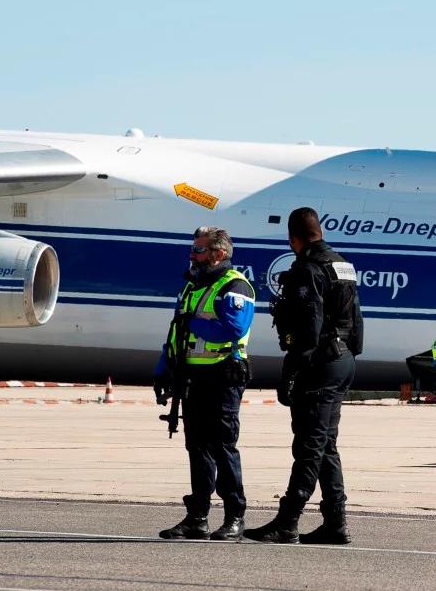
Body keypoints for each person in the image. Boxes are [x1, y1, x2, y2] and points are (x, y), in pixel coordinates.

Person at [244, 207, 363, 545]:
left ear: (293, 238)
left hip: (320, 362)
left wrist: (289, 373)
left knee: (309, 446)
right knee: (325, 444)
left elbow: (308, 330)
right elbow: (357, 320)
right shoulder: (343, 265)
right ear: (320, 231)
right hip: (342, 359)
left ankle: (288, 521)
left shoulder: (307, 270)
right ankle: (335, 523)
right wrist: (347, 355)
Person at [155, 226, 255, 541]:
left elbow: (233, 330)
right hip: (192, 376)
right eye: (193, 249)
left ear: (219, 253)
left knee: (222, 446)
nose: (192, 255)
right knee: (196, 447)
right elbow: (176, 331)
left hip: (223, 375)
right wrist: (163, 367)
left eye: (199, 250)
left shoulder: (235, 286)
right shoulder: (192, 286)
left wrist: (194, 322)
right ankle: (197, 517)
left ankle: (234, 515)